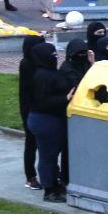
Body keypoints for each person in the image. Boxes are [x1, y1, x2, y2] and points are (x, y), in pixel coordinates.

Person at [26, 43, 73, 203]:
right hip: (45, 120)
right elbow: (43, 101)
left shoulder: (49, 72)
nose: (55, 56)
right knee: (48, 156)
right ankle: (49, 189)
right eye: (52, 54)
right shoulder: (42, 76)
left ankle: (54, 184)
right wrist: (65, 98)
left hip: (50, 120)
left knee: (51, 155)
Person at [18, 35, 46, 190]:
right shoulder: (27, 64)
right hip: (30, 109)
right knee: (31, 143)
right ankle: (30, 176)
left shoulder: (38, 62)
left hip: (38, 108)